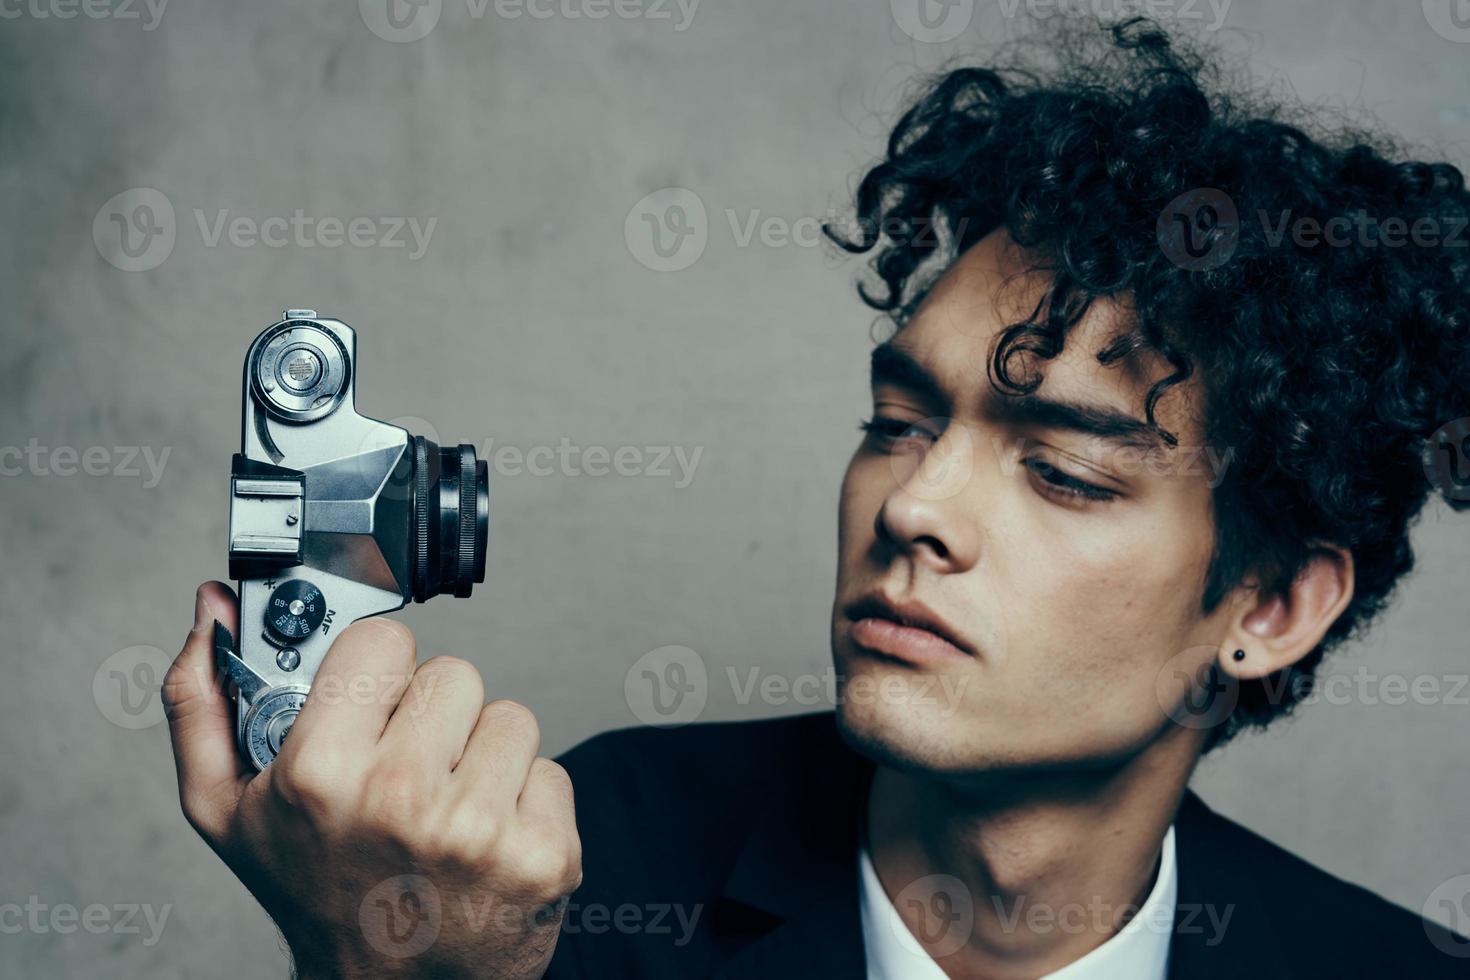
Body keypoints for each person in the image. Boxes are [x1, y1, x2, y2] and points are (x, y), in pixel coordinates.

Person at [162, 18, 1470, 979]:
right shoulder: (554, 884)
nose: (913, 507)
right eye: (894, 425)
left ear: (1273, 602)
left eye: (1064, 472)